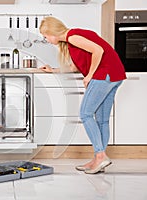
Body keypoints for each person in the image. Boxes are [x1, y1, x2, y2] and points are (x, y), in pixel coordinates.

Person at [39, 17, 126, 174]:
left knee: (85, 114)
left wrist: (90, 75)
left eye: (45, 36)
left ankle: (100, 156)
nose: (46, 39)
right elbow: (74, 67)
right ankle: (98, 159)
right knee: (102, 120)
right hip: (115, 75)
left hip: (104, 75)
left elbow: (98, 51)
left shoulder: (73, 36)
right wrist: (53, 70)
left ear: (51, 32)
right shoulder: (70, 43)